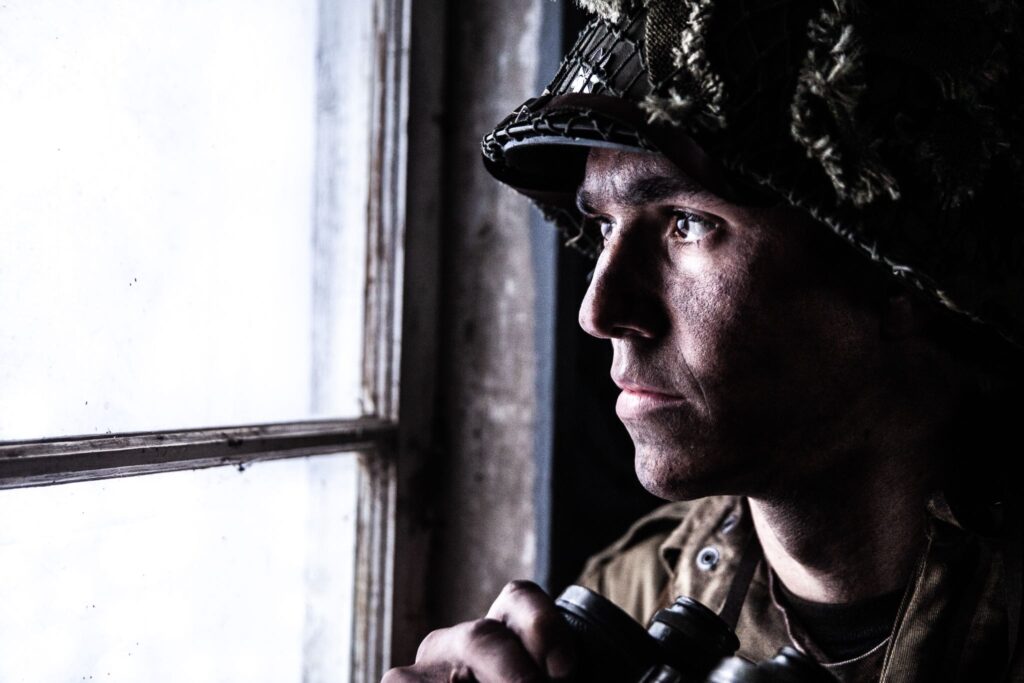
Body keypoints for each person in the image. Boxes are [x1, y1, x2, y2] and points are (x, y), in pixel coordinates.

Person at [384, 0, 1024, 681]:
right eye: (603, 228)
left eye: (687, 223)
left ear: (894, 270)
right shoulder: (632, 596)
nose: (599, 310)